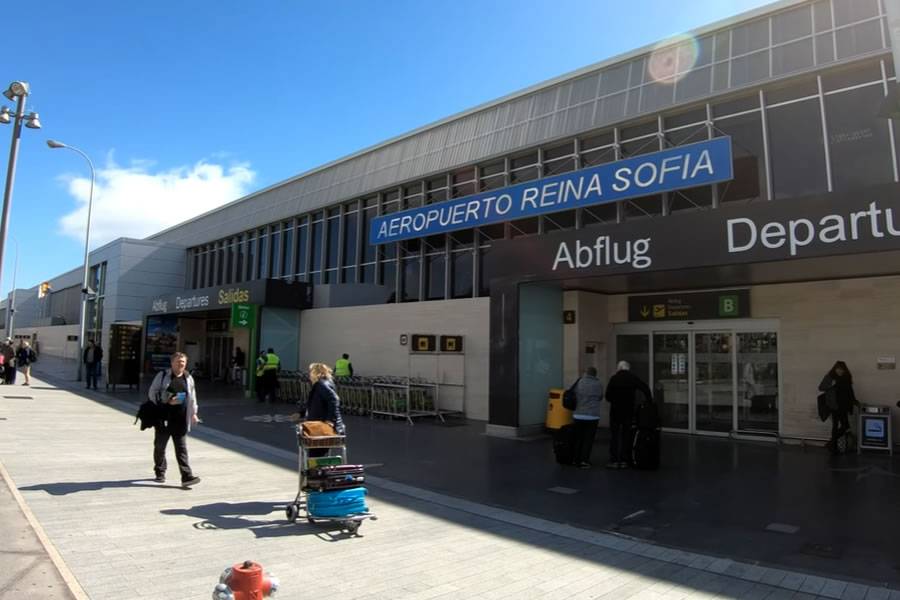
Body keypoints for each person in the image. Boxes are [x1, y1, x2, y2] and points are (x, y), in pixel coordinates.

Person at [148, 352, 201, 487]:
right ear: (171, 363)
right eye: (178, 361)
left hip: (180, 419)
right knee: (160, 447)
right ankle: (160, 472)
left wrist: (194, 413)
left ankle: (186, 476)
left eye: (183, 362)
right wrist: (168, 401)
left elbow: (192, 397)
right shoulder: (163, 376)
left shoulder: (188, 378)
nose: (181, 364)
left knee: (182, 449)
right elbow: (152, 393)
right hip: (163, 419)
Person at [605, 361, 653, 469]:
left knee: (614, 435)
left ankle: (613, 459)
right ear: (628, 368)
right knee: (626, 435)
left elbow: (607, 396)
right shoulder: (632, 378)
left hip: (615, 411)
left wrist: (614, 400)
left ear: (619, 368)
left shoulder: (614, 378)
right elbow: (645, 388)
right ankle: (624, 459)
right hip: (628, 411)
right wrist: (649, 402)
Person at [305, 362, 345, 457]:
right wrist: (301, 413)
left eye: (310, 372)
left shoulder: (321, 384)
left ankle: (316, 470)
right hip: (321, 425)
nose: (309, 374)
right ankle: (318, 469)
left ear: (315, 372)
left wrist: (330, 420)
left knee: (316, 453)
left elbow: (334, 399)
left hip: (322, 427)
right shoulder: (323, 384)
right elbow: (318, 404)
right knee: (318, 452)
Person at [819, 360, 858, 455]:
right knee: (835, 425)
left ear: (845, 370)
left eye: (842, 369)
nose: (840, 371)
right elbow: (821, 387)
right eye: (838, 369)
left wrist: (855, 402)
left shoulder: (847, 378)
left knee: (845, 426)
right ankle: (833, 447)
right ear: (835, 369)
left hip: (844, 405)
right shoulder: (830, 377)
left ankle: (832, 443)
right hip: (834, 405)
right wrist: (830, 384)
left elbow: (850, 391)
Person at [571, 367, 604, 469]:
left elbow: (573, 394)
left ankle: (575, 459)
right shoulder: (598, 384)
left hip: (578, 414)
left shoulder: (579, 382)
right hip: (592, 416)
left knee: (578, 438)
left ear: (586, 373)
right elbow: (600, 397)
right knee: (588, 439)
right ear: (595, 374)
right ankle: (584, 460)